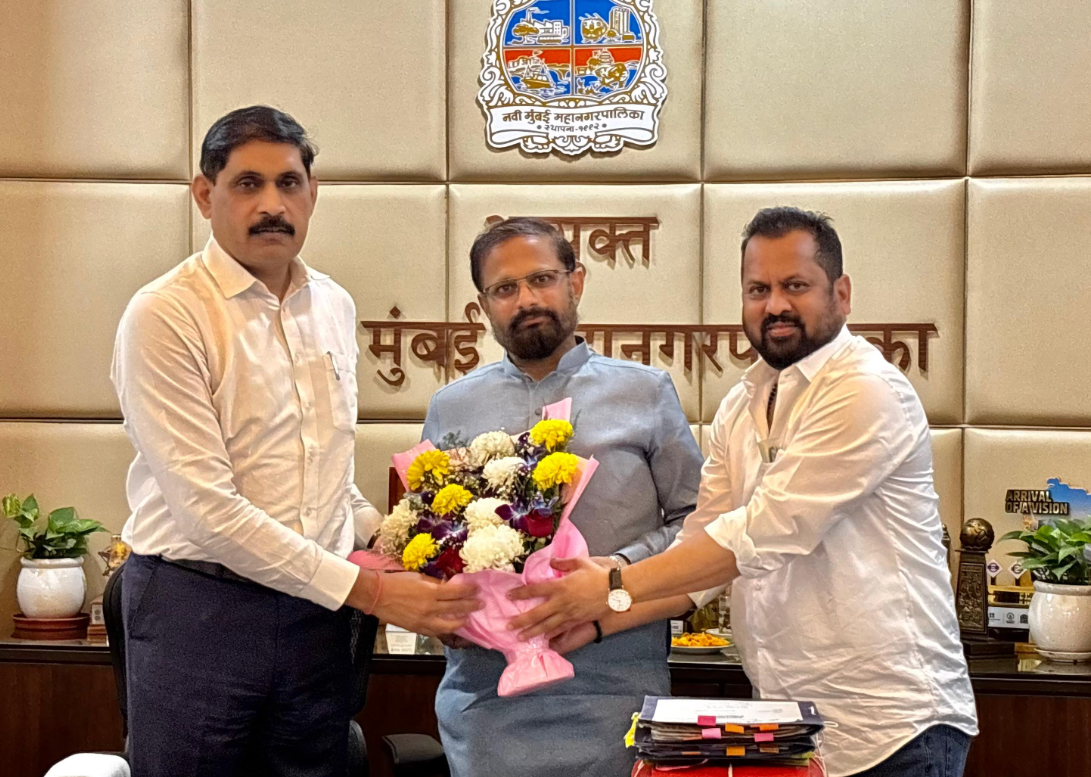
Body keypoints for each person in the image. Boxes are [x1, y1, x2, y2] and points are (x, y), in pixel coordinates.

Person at [510, 207, 979, 777]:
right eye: (758, 289)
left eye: (795, 286)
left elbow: (762, 533)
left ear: (841, 294)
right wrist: (596, 620)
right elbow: (701, 555)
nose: (775, 305)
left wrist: (611, 584)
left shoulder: (866, 390)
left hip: (894, 730)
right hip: (792, 728)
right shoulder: (743, 403)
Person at [111, 105, 478, 777]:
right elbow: (208, 510)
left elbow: (322, 470)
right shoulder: (166, 313)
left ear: (313, 192)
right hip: (201, 610)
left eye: (288, 183)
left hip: (317, 618)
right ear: (205, 195)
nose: (272, 205)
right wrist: (371, 593)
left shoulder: (332, 305)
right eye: (247, 184)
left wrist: (398, 543)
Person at [421, 217, 704, 776]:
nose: (526, 299)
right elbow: (429, 535)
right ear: (483, 307)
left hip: (616, 693)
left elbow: (698, 524)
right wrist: (439, 603)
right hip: (485, 703)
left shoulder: (645, 392)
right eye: (505, 288)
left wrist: (615, 571)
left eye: (542, 279)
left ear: (575, 282)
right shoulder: (451, 407)